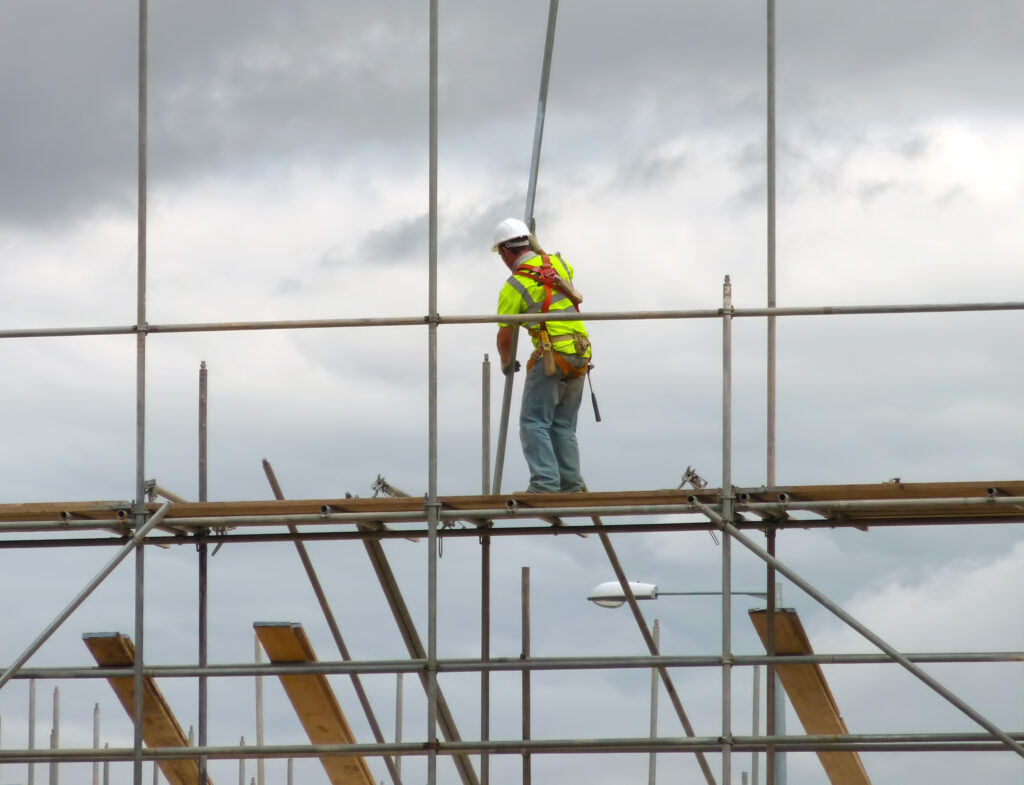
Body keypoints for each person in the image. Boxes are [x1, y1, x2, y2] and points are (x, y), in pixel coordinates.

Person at [492, 217, 592, 493]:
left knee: (534, 422)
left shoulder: (514, 285)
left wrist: (505, 361)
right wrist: (541, 252)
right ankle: (571, 487)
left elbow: (505, 335)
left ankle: (545, 484)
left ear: (505, 251)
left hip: (552, 356)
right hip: (580, 353)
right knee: (563, 426)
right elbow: (559, 273)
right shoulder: (558, 265)